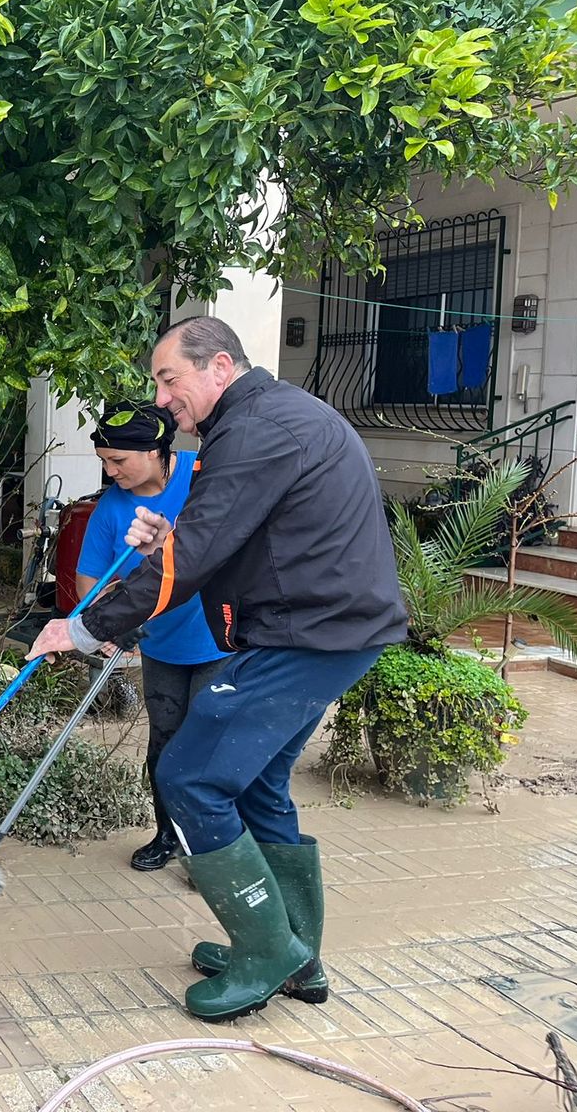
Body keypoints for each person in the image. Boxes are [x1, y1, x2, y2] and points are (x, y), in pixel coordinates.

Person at [28, 317, 406, 1023]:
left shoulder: (256, 430)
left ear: (220, 367)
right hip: (326, 630)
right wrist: (170, 541)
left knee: (190, 777)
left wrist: (80, 627)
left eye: (169, 378)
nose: (161, 398)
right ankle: (298, 955)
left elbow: (197, 559)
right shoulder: (264, 421)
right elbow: (235, 539)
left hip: (309, 636)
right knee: (256, 784)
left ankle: (266, 952)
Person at [75, 401, 228, 873]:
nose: (110, 471)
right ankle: (167, 836)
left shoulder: (203, 475)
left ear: (154, 451)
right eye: (104, 461)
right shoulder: (110, 508)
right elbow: (90, 581)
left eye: (117, 460)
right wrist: (104, 624)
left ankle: (212, 853)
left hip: (219, 642)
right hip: (161, 646)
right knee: (164, 743)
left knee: (209, 747)